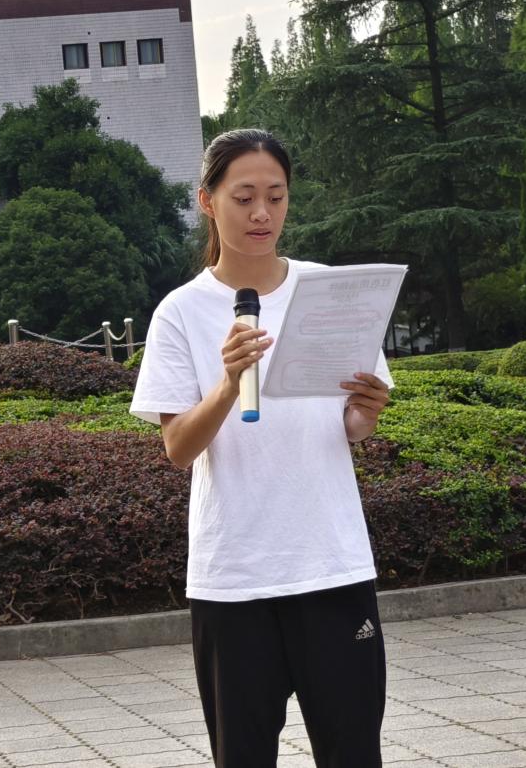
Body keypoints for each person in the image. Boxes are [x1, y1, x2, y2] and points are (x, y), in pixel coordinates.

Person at [130, 129, 392, 768]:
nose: (261, 214)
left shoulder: (329, 291)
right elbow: (178, 447)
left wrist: (366, 413)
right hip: (235, 577)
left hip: (332, 564)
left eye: (276, 196)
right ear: (207, 201)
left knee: (354, 753)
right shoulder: (181, 312)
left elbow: (349, 426)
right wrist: (227, 384)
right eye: (243, 197)